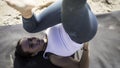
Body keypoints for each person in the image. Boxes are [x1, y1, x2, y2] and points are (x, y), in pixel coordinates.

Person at [5, 0, 98, 68]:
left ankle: (26, 12)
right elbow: (81, 67)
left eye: (30, 39)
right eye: (31, 45)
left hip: (73, 12)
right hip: (81, 32)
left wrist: (42, 5)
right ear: (34, 54)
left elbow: (56, 8)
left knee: (31, 28)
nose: (34, 41)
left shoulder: (47, 31)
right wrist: (86, 48)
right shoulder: (54, 57)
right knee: (71, 10)